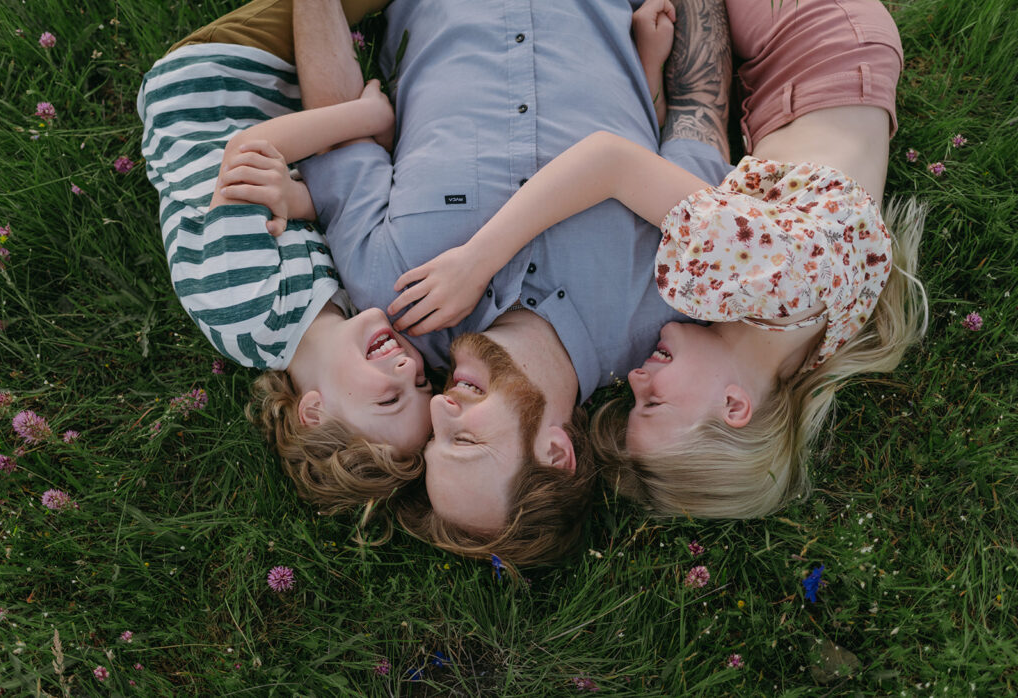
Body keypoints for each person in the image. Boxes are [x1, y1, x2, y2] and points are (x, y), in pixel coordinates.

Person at [393, 0, 927, 522]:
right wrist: (476, 262)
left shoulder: (794, 352)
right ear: (735, 408)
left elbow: (667, 179)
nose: (636, 383)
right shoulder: (767, 281)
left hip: (825, 83)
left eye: (634, 402)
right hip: (814, 40)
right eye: (654, 405)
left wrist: (648, 72)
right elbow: (609, 160)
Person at [295, 0, 733, 565]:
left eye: (433, 439)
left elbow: (336, 138)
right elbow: (700, 108)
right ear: (555, 451)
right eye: (467, 440)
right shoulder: (670, 299)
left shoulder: (394, 298)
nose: (437, 412)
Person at [137, 0, 433, 515]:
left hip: (212, 87)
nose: (408, 367)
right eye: (423, 382)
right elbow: (327, 202)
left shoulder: (248, 308)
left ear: (313, 411)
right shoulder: (337, 305)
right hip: (283, 110)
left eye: (390, 397)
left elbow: (245, 150)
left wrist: (367, 117)